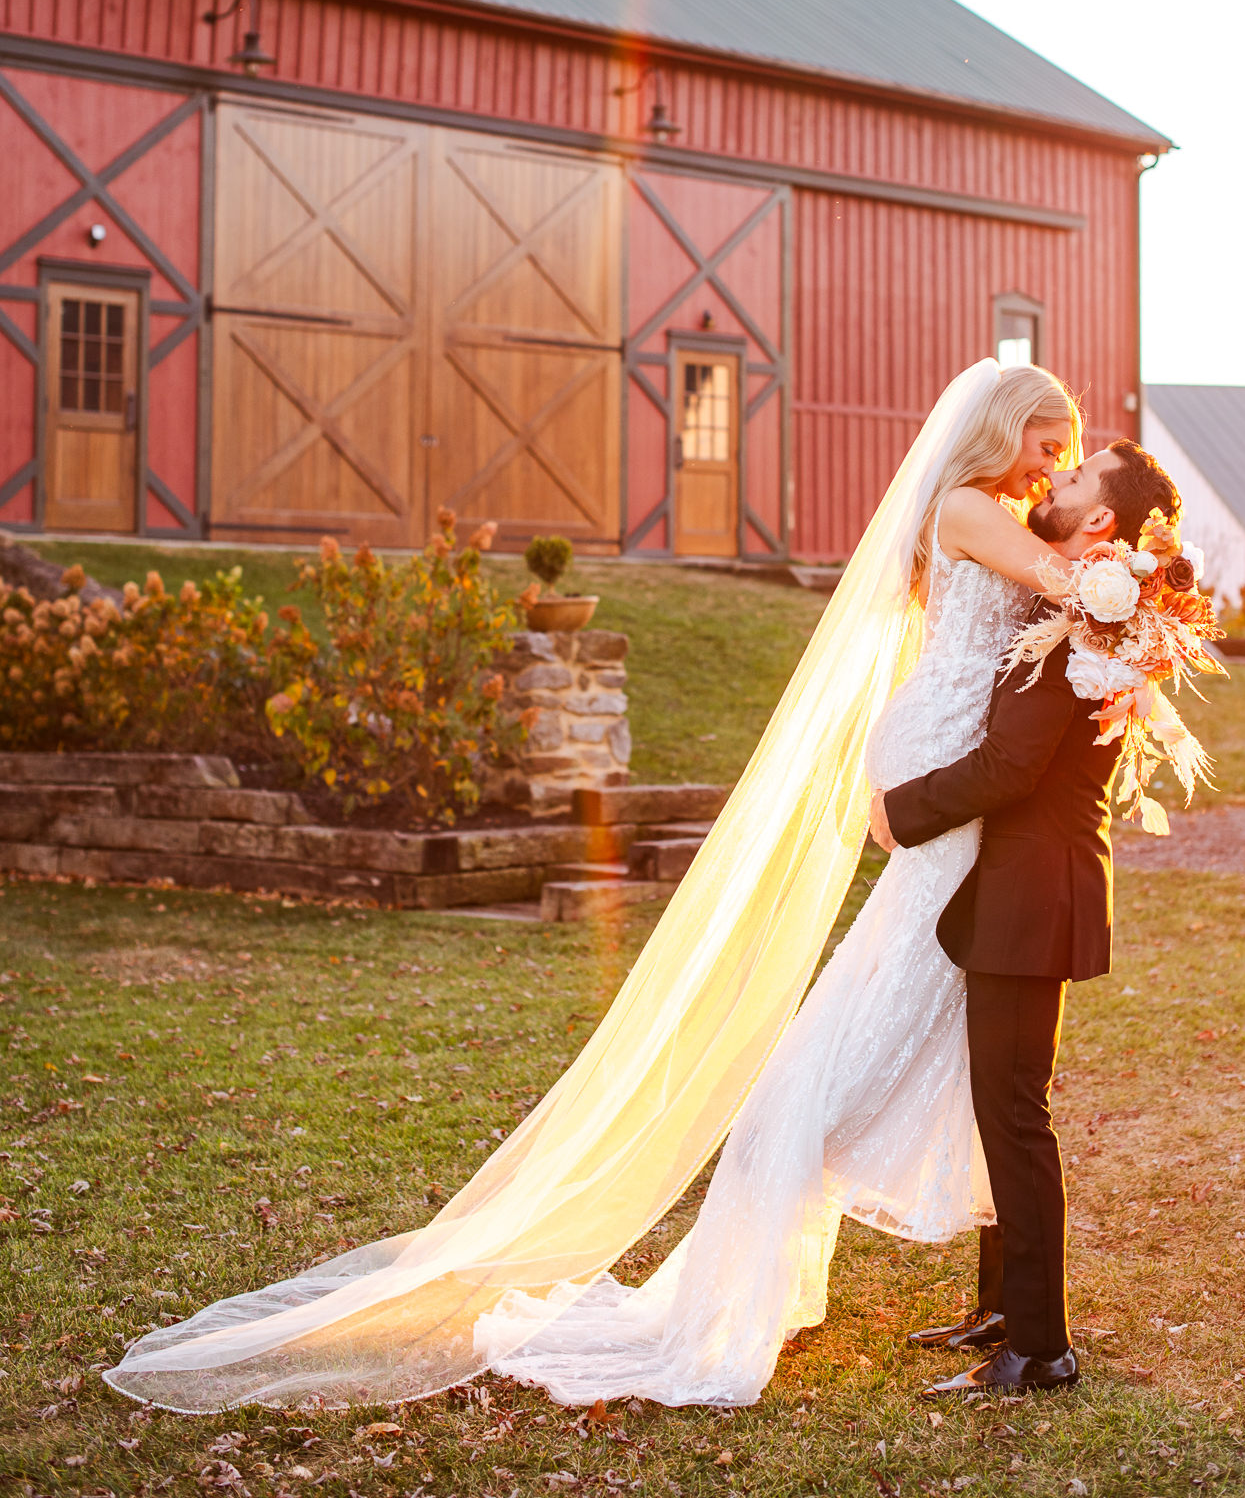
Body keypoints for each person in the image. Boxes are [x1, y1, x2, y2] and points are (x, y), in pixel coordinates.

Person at [102, 361, 1113, 1414]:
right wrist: (1136, 569)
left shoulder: (984, 509)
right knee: (920, 1044)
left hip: (964, 790)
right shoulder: (969, 507)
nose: (1060, 465)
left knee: (966, 1054)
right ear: (1002, 427)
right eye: (1051, 443)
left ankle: (1010, 1307)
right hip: (951, 779)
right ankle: (933, 1282)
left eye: (1069, 453)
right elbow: (1073, 586)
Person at [868, 438, 1180, 1396]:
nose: (1055, 481)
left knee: (1013, 1113)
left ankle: (1040, 1347)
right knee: (1000, 1106)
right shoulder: (1082, 611)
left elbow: (1009, 768)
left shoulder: (1087, 629)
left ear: (1100, 524)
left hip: (1030, 891)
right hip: (1026, 886)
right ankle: (1005, 1307)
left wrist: (900, 810)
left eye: (1074, 480)